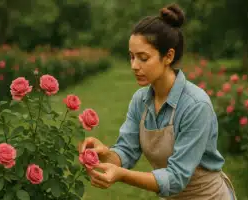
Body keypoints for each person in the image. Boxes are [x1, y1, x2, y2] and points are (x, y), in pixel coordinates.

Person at [79, 3, 237, 200]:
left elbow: (177, 178)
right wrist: (106, 155)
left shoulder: (196, 105)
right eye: (131, 57)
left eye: (143, 58)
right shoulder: (140, 101)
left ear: (168, 56)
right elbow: (127, 150)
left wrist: (122, 176)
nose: (134, 66)